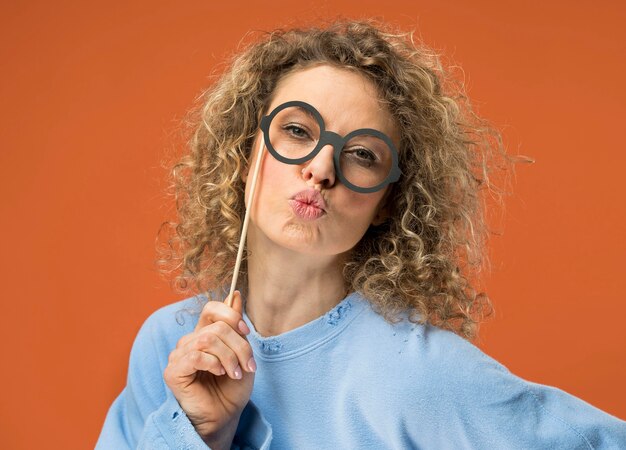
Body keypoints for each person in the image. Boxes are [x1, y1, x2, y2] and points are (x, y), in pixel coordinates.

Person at [96, 19, 626, 449]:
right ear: (244, 155)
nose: (321, 168)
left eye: (363, 154)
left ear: (386, 203)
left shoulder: (421, 375)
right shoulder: (172, 346)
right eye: (298, 131)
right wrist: (202, 434)